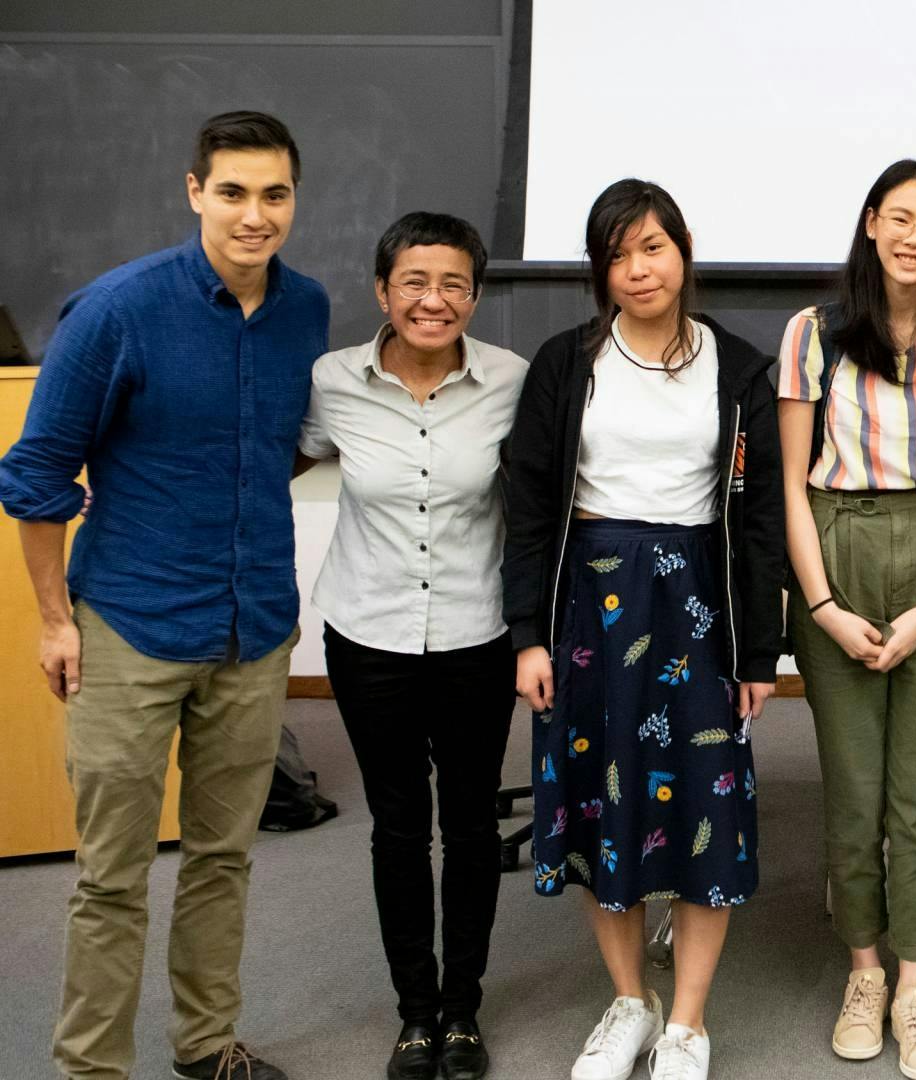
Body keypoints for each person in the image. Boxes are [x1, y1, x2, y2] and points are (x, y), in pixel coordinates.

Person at [0, 111, 326, 1080]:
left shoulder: (305, 308)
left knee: (224, 860)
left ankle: (205, 1045)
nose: (254, 215)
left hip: (253, 627)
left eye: (274, 194)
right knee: (111, 877)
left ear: (293, 202)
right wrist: (56, 621)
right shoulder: (117, 310)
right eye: (232, 191)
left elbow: (282, 443)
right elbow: (37, 476)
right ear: (194, 192)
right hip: (128, 629)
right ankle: (92, 1068)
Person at [500, 179, 783, 1080]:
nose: (638, 268)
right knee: (600, 806)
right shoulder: (566, 362)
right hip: (590, 608)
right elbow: (531, 503)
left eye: (652, 246)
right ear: (600, 269)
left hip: (699, 607)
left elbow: (762, 519)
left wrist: (757, 652)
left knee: (707, 805)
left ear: (683, 248)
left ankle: (688, 1022)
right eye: (618, 254)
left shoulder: (737, 367)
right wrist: (527, 636)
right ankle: (630, 1000)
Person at [777, 158, 916, 1080]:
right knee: (855, 788)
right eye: (900, 218)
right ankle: (862, 971)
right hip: (834, 547)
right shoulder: (813, 333)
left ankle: (913, 987)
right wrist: (821, 606)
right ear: (871, 224)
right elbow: (789, 485)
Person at [295, 212, 526, 1080]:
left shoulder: (511, 379)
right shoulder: (331, 381)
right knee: (398, 827)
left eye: (454, 284)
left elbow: (540, 506)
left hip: (476, 632)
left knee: (468, 827)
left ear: (475, 293)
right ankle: (415, 1014)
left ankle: (462, 1011)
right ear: (382, 291)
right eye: (415, 283)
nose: (435, 301)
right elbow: (273, 455)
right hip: (369, 633)